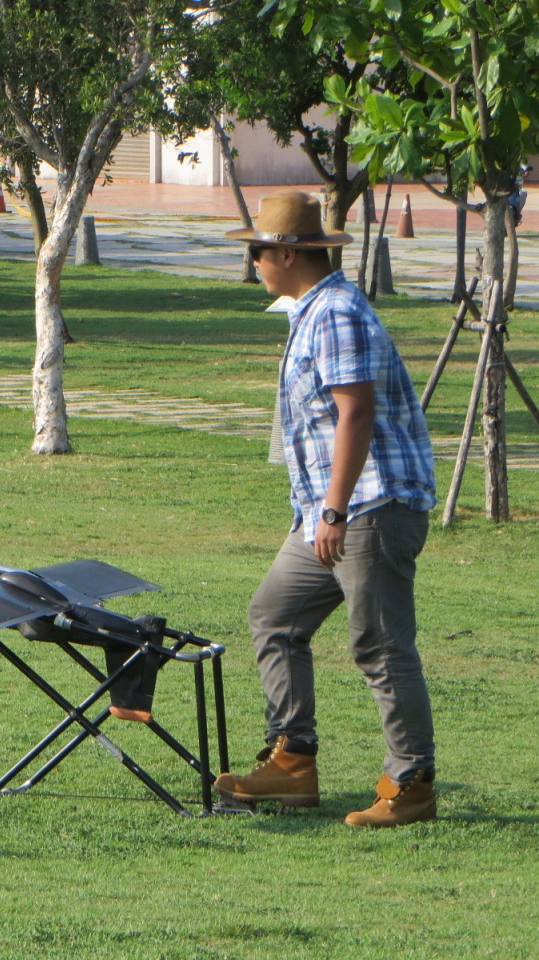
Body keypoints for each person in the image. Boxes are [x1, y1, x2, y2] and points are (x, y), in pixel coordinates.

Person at [214, 190, 439, 828]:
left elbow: (355, 411)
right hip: (329, 512)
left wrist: (334, 510)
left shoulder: (336, 311)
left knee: (380, 645)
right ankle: (293, 761)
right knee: (274, 615)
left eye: (257, 250)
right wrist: (317, 512)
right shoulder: (309, 311)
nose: (253, 260)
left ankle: (412, 783)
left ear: (287, 251)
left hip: (369, 506)